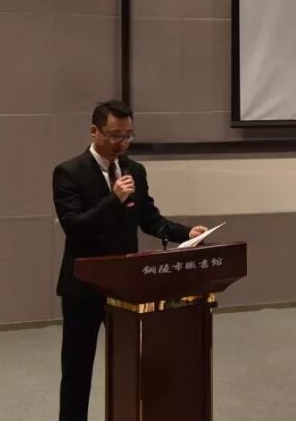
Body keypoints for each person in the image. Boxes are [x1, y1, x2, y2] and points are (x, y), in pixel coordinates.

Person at [53, 100, 209, 421]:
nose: (121, 144)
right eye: (114, 136)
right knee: (77, 371)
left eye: (127, 136)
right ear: (94, 131)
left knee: (131, 364)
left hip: (125, 286)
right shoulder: (69, 172)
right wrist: (114, 199)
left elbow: (149, 219)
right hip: (84, 288)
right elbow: (76, 228)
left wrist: (186, 233)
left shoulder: (134, 170)